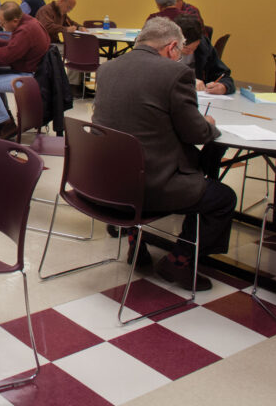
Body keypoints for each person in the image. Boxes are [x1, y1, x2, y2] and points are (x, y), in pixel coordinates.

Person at [92, 17, 234, 290]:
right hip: (150, 182)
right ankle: (178, 261)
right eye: (180, 52)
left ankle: (137, 242)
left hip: (106, 179)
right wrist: (210, 126)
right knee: (223, 198)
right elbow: (196, 134)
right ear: (171, 48)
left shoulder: (108, 68)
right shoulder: (175, 74)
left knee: (160, 163)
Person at [0, 1, 51, 137]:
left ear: (15, 20)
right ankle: (3, 117)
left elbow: (7, 56)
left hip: (30, 76)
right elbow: (17, 46)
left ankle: (6, 126)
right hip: (35, 71)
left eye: (3, 23)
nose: (2, 26)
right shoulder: (29, 23)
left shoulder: (25, 30)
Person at [175, 15, 234, 94]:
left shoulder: (203, 47)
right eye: (186, 49)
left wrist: (224, 87)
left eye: (195, 47)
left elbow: (223, 75)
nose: (191, 53)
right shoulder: (162, 47)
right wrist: (188, 81)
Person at [36, 0, 83, 86]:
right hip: (45, 44)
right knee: (74, 52)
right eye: (68, 7)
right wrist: (65, 29)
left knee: (80, 51)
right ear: (61, 1)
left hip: (54, 43)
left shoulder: (61, 12)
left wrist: (79, 27)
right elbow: (47, 27)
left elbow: (70, 22)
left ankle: (78, 84)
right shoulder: (45, 10)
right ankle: (72, 84)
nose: (68, 11)